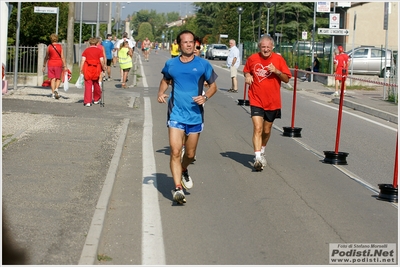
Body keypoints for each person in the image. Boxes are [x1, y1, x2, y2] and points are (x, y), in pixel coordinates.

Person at [157, 30, 218, 204]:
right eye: (185, 42)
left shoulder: (203, 65)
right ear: (179, 45)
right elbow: (165, 80)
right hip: (176, 112)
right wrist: (161, 93)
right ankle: (177, 188)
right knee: (175, 150)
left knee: (190, 154)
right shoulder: (171, 64)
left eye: (192, 42)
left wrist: (205, 97)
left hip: (195, 114)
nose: (189, 45)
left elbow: (214, 87)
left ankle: (184, 169)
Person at [243, 35, 291, 171]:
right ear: (259, 47)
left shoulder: (278, 59)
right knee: (257, 128)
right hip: (256, 98)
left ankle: (262, 149)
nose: (265, 50)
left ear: (272, 47)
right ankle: (257, 157)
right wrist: (247, 76)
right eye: (263, 47)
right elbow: (246, 70)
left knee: (266, 130)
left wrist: (276, 71)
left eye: (268, 47)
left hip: (272, 101)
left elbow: (287, 79)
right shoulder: (252, 58)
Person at [80, 37, 105, 107]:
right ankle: (96, 99)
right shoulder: (99, 51)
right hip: (96, 69)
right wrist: (103, 67)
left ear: (89, 43)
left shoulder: (86, 51)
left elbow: (83, 60)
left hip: (88, 68)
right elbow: (101, 60)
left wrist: (81, 69)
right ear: (96, 43)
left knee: (88, 84)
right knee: (96, 83)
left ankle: (88, 101)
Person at [42, 33, 67, 100]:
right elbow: (62, 57)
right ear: (57, 39)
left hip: (50, 64)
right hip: (58, 63)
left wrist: (44, 65)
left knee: (52, 79)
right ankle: (56, 89)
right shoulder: (60, 46)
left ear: (51, 39)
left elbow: (46, 57)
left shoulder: (49, 47)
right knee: (58, 78)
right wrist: (65, 65)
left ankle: (53, 93)